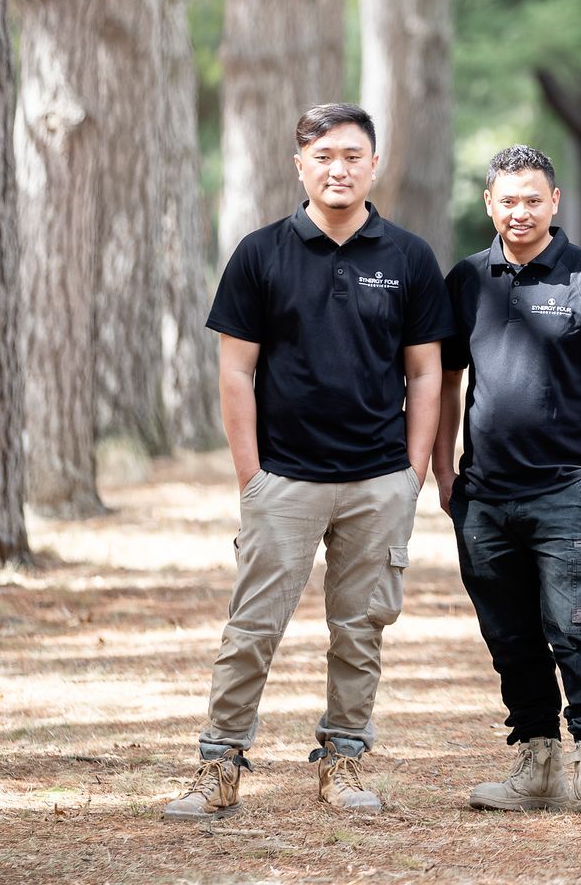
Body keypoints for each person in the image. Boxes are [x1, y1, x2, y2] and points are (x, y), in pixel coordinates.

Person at [164, 103, 450, 822]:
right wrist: (250, 476)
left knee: (360, 631)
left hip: (378, 478)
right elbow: (235, 374)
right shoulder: (261, 253)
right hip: (284, 479)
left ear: (374, 164)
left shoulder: (408, 258)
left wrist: (411, 474)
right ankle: (218, 766)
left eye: (352, 155)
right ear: (300, 166)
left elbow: (426, 374)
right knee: (251, 627)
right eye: (322, 156)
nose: (338, 168)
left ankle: (343, 762)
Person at [433, 145, 581, 816]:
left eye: (532, 199)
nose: (519, 211)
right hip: (484, 498)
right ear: (490, 205)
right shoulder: (467, 279)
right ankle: (537, 763)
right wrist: (444, 469)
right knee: (511, 634)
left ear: (554, 202)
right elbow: (445, 379)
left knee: (579, 628)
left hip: (563, 493)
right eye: (507, 200)